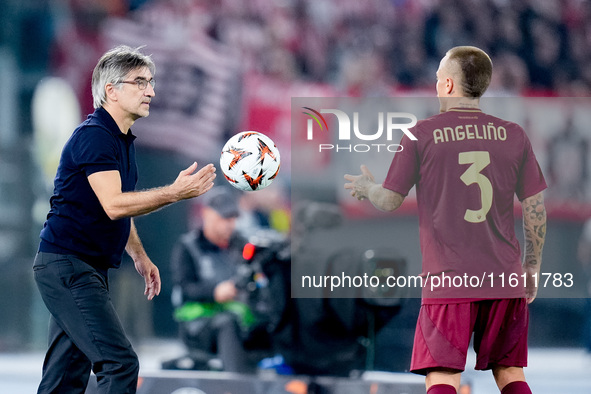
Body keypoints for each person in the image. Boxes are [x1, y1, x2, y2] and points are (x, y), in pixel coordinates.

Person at [344, 46, 547, 394]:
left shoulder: (420, 134)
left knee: (441, 375)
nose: (436, 85)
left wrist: (368, 187)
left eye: (438, 79)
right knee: (510, 373)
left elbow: (391, 200)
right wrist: (531, 266)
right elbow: (535, 206)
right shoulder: (514, 135)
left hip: (448, 278)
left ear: (450, 86)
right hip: (504, 275)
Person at [33, 45, 216, 394]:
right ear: (110, 91)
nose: (151, 91)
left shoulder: (119, 139)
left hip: (76, 266)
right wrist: (176, 192)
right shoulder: (95, 136)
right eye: (140, 82)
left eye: (151, 82)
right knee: (120, 364)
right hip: (69, 266)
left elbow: (117, 208)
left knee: (64, 379)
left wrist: (139, 255)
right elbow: (115, 205)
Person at [169, 187, 261, 373]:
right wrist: (215, 292)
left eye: (233, 219)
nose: (229, 224)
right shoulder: (187, 247)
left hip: (239, 315)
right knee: (227, 324)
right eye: (224, 218)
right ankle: (235, 387)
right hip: (199, 325)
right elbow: (185, 288)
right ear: (206, 214)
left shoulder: (242, 245)